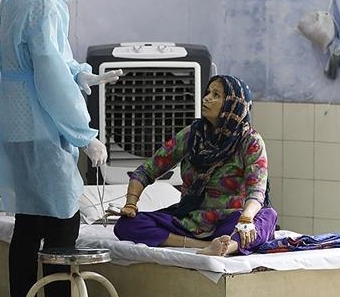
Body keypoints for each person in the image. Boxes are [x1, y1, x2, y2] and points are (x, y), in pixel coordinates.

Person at [0, 0, 122, 297]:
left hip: (15, 124)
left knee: (28, 225)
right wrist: (84, 135)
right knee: (63, 225)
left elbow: (43, 58)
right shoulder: (45, 3)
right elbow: (49, 74)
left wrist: (82, 73)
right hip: (43, 125)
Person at [114, 75, 277, 257]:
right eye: (208, 92)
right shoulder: (193, 135)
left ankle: (228, 246)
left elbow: (257, 190)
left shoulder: (250, 141)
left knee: (267, 217)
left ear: (233, 104)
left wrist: (246, 219)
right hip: (192, 219)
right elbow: (146, 171)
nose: (206, 98)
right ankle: (205, 245)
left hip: (232, 219)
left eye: (216, 95)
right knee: (126, 225)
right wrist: (131, 204)